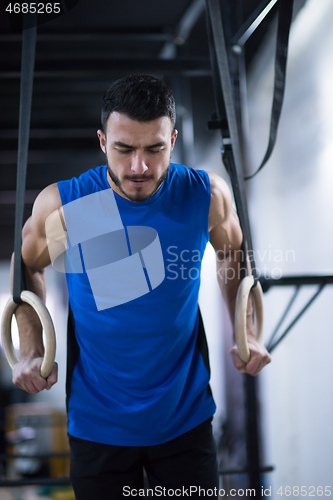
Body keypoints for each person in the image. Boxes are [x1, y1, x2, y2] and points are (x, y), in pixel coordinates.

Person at [11, 74, 271, 498]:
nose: (139, 167)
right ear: (101, 141)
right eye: (124, 149)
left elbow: (231, 254)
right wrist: (31, 350)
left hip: (184, 417)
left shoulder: (205, 196)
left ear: (173, 136)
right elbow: (27, 268)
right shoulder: (68, 205)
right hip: (98, 423)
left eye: (154, 149)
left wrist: (248, 332)